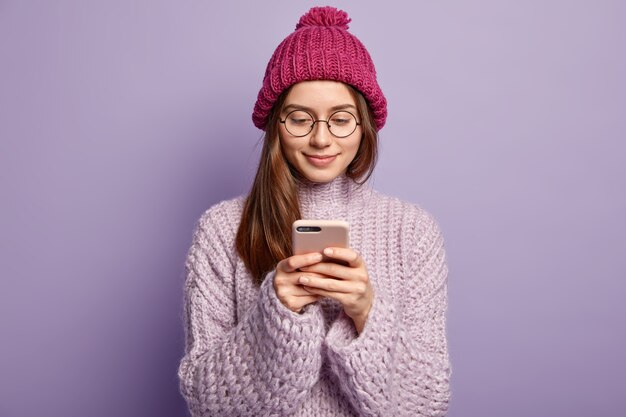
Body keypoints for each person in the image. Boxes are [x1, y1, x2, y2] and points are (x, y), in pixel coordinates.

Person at [178, 6, 451, 417]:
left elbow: (427, 405)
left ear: (364, 126)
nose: (321, 139)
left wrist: (366, 314)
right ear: (276, 125)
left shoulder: (411, 231)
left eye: (341, 119)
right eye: (300, 119)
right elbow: (207, 403)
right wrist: (277, 314)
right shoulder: (222, 229)